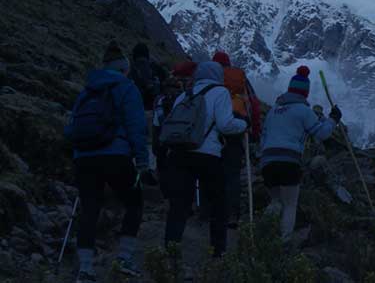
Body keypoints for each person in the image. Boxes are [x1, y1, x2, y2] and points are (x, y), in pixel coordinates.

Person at [64, 41, 148, 282]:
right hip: (116, 155)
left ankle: (86, 269)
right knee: (134, 201)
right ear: (124, 68)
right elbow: (136, 127)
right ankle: (124, 258)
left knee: (89, 208)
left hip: (85, 157)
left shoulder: (87, 91)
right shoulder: (127, 87)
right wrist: (142, 160)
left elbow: (71, 128)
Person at [162, 61, 246, 257]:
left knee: (179, 206)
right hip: (207, 155)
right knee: (219, 204)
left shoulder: (185, 94)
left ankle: (170, 252)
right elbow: (225, 125)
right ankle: (217, 252)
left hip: (180, 153)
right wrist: (243, 124)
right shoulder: (220, 92)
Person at [259, 66, 335, 239]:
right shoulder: (303, 110)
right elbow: (322, 133)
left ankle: (260, 235)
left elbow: (263, 137)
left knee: (275, 201)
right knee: (290, 205)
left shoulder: (273, 111)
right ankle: (283, 243)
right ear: (305, 93)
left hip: (267, 162)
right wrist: (333, 119)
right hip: (289, 161)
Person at [211, 51, 259, 227]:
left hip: (213, 130)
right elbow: (253, 104)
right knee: (232, 174)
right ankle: (233, 214)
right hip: (237, 129)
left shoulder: (211, 80)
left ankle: (212, 211)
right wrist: (254, 131)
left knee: (213, 171)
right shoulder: (240, 80)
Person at [151, 61, 196, 197]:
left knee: (164, 169)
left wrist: (156, 145)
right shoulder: (184, 98)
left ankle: (166, 196)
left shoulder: (160, 100)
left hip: (163, 139)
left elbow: (156, 123)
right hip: (181, 140)